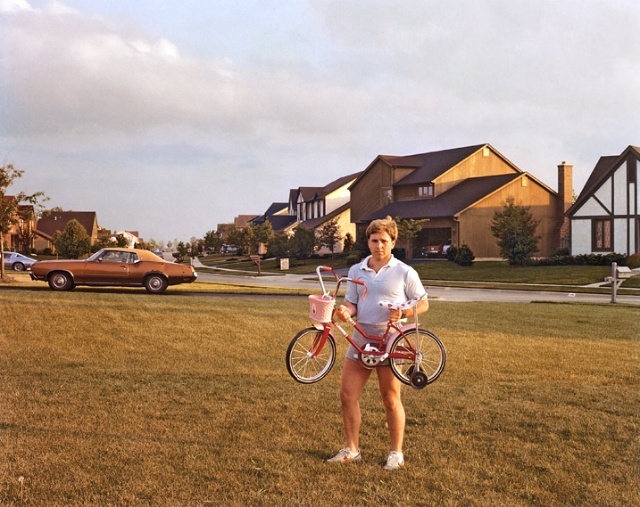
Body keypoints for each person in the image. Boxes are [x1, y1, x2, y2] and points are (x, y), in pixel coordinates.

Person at [327, 216, 428, 470]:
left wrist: (403, 313)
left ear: (393, 242)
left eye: (384, 241)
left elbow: (423, 303)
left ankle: (396, 453)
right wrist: (346, 312)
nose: (379, 246)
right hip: (362, 337)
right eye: (374, 240)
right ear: (368, 241)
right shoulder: (356, 270)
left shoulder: (405, 271)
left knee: (390, 397)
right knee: (347, 395)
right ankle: (352, 449)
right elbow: (352, 303)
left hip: (390, 340)